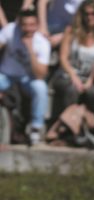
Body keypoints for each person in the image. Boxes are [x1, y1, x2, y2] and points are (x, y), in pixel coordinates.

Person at [50, 0, 94, 120]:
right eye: (86, 14)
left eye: (93, 14)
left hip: (88, 77)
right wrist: (73, 76)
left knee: (93, 94)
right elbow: (63, 58)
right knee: (72, 90)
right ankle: (68, 127)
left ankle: (87, 125)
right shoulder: (71, 31)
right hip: (67, 75)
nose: (89, 17)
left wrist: (90, 81)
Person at [0, 8, 51, 145]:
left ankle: (35, 127)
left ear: (37, 25)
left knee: (40, 88)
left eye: (32, 25)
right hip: (6, 75)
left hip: (28, 79)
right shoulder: (10, 30)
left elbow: (41, 74)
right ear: (19, 24)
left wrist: (30, 50)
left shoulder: (42, 43)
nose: (28, 29)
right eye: (24, 25)